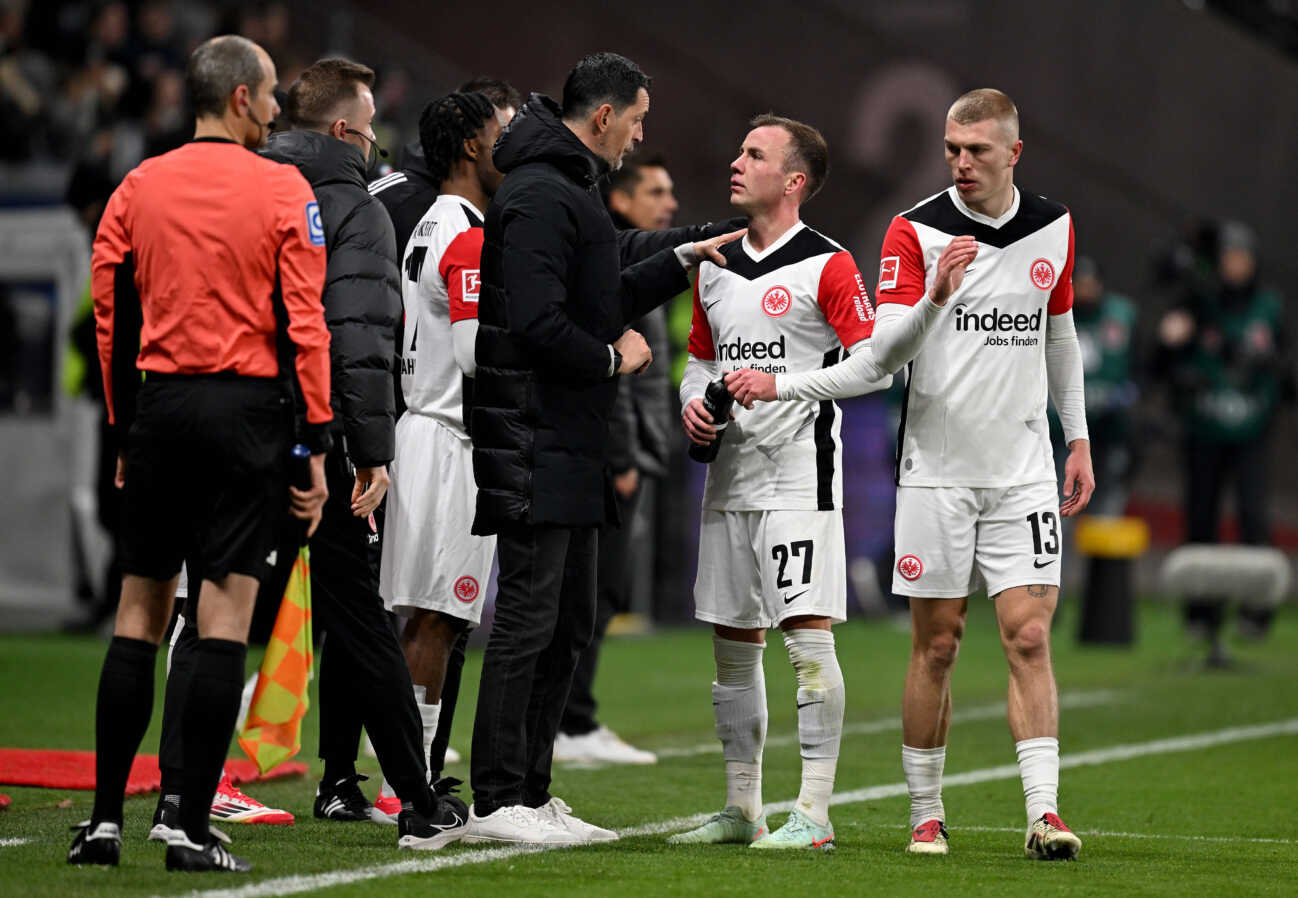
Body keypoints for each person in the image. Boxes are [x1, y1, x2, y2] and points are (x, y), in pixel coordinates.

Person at [727, 89, 1093, 860]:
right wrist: (935, 297)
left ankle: (1044, 814)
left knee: (1028, 637)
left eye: (977, 151)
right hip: (936, 471)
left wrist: (1078, 439)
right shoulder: (914, 231)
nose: (961, 162)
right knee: (939, 644)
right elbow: (882, 358)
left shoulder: (1052, 227)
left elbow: (1059, 338)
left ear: (1013, 154)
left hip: (1023, 469)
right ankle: (926, 814)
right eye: (952, 149)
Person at [68, 34, 331, 874]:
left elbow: (112, 314)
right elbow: (305, 324)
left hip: (159, 408)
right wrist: (312, 445)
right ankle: (185, 824)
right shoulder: (284, 187)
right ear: (244, 99)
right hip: (245, 412)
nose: (278, 108)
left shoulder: (138, 185)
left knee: (138, 612)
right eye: (272, 94)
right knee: (222, 617)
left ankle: (105, 822)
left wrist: (122, 432)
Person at [467, 51, 744, 844]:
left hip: (569, 439)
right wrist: (611, 358)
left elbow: (607, 282)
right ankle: (495, 801)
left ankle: (530, 790)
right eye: (637, 120)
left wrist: (685, 256)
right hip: (533, 434)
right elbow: (537, 320)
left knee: (570, 622)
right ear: (601, 118)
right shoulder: (538, 192)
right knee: (526, 620)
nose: (639, 134)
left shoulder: (570, 186)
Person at [260, 57, 466, 848]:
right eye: (371, 123)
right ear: (346, 129)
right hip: (321, 438)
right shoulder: (357, 209)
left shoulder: (246, 187)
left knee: (204, 610)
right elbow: (359, 342)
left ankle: (180, 799)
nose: (378, 138)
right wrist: (371, 451)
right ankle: (415, 797)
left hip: (228, 425)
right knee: (359, 612)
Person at [668, 116, 884, 851]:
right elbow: (699, 360)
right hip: (728, 478)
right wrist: (693, 405)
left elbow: (873, 365)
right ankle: (742, 807)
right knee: (733, 644)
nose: (736, 162)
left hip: (799, 478)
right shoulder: (714, 262)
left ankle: (815, 814)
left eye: (754, 154)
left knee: (805, 641)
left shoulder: (829, 264)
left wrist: (782, 385)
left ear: (793, 181)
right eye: (738, 150)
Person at [370, 90, 511, 823]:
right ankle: (410, 783)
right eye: (500, 135)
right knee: (436, 618)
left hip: (423, 428)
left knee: (427, 618)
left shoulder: (435, 223)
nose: (508, 148)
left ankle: (406, 772)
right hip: (449, 439)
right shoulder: (467, 236)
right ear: (469, 149)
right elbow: (475, 352)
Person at [552, 154, 679, 767]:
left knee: (602, 594)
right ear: (623, 201)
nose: (670, 203)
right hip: (613, 457)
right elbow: (618, 368)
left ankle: (572, 719)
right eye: (656, 191)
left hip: (630, 452)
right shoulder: (615, 257)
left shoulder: (633, 258)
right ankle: (570, 723)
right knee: (592, 596)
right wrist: (625, 456)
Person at [1155, 221, 1291, 641]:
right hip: (1204, 430)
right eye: (1227, 258)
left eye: (1241, 258)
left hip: (1251, 431)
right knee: (1200, 520)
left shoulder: (1269, 307)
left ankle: (1257, 612)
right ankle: (1201, 614)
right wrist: (1177, 357)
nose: (1234, 266)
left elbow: (1286, 375)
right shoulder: (1199, 303)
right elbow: (1161, 362)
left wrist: (1267, 370)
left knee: (1252, 518)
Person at [1049, 256, 1138, 516]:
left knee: (1106, 509)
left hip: (1109, 429)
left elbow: (1139, 366)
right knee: (1060, 506)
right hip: (1061, 433)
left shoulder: (1120, 317)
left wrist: (1130, 392)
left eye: (1091, 283)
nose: (1086, 289)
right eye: (1080, 283)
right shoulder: (1052, 316)